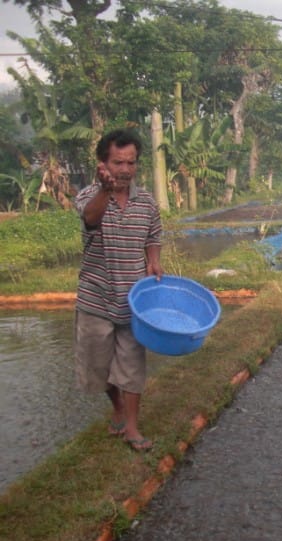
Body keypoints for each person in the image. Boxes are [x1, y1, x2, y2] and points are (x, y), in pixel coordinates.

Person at [74, 128, 163, 452]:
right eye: (118, 162)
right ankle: (117, 407)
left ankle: (133, 428)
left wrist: (153, 261)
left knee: (132, 367)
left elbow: (153, 235)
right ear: (103, 163)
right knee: (98, 370)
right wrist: (104, 190)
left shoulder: (147, 202)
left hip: (133, 301)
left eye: (131, 163)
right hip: (95, 299)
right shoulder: (88, 196)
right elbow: (90, 219)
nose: (125, 170)